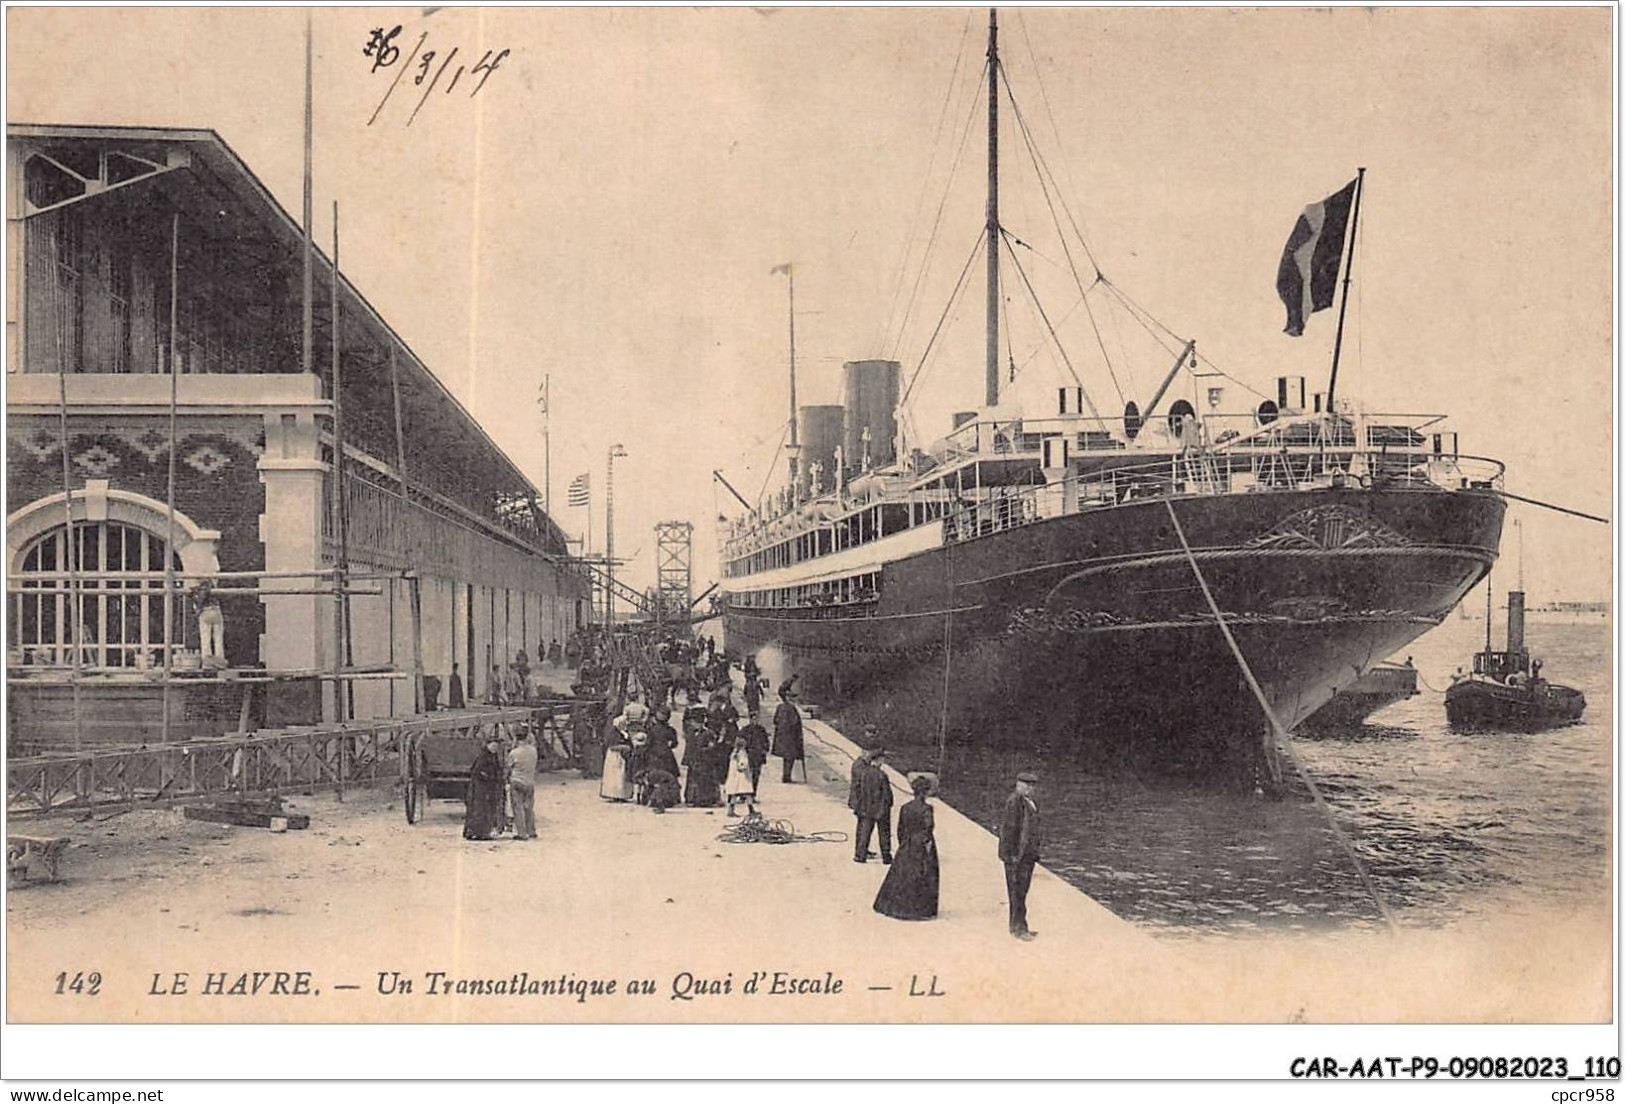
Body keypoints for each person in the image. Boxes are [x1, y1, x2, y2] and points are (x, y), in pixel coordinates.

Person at [874, 773, 940, 920]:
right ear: (926, 792)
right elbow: (928, 829)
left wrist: (903, 843)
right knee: (924, 875)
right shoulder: (927, 809)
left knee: (903, 874)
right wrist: (927, 847)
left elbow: (900, 829)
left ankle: (898, 906)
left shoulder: (905, 807)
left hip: (907, 843)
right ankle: (919, 910)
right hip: (921, 843)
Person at [998, 771, 1042, 940]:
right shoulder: (1015, 802)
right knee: (1017, 892)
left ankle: (1022, 925)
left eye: (1033, 786)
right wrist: (1011, 855)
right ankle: (1017, 929)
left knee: (1022, 891)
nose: (1031, 789)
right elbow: (1009, 830)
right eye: (1028, 785)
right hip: (1017, 856)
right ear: (1019, 785)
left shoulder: (1027, 802)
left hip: (1026, 855)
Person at [849, 738, 894, 864]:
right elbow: (887, 794)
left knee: (864, 831)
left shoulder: (864, 772)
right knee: (884, 832)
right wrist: (888, 804)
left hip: (866, 807)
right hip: (880, 808)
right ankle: (886, 856)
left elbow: (860, 789)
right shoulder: (882, 775)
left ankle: (860, 855)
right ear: (879, 760)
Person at [463, 738, 506, 841]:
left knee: (485, 811)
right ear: (487, 745)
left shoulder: (492, 757)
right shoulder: (483, 757)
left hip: (487, 788)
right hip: (480, 788)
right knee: (480, 810)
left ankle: (481, 832)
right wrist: (489, 777)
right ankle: (477, 833)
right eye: (493, 746)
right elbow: (477, 771)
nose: (494, 748)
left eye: (496, 747)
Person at [507, 727, 539, 840]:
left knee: (518, 808)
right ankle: (531, 831)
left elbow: (508, 767)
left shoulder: (514, 753)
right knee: (529, 808)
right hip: (530, 782)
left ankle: (522, 833)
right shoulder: (533, 751)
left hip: (517, 781)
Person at [772, 680, 805, 783]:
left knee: (787, 758)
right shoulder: (791, 708)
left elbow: (775, 721)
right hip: (791, 737)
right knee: (790, 757)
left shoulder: (780, 707)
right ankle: (787, 776)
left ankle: (786, 775)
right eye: (792, 698)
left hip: (782, 737)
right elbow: (795, 723)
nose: (793, 700)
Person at [682, 719, 718, 807]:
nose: (694, 724)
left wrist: (703, 750)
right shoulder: (690, 733)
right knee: (692, 780)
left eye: (696, 723)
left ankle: (705, 800)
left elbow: (712, 747)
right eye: (693, 722)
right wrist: (686, 760)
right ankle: (691, 799)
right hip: (693, 760)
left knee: (704, 780)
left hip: (704, 761)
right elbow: (688, 747)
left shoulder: (708, 733)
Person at [192, 580, 226, 667]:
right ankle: (219, 660)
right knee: (218, 638)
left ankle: (207, 662)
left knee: (205, 637)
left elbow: (200, 598)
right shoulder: (213, 586)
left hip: (205, 610)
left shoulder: (198, 589)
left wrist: (198, 609)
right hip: (216, 609)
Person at [724, 735, 757, 817]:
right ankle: (751, 809)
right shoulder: (742, 753)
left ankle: (731, 810)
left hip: (734, 776)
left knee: (734, 794)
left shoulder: (733, 753)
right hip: (742, 776)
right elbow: (743, 764)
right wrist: (746, 770)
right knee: (747, 792)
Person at [738, 710, 770, 795]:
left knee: (756, 775)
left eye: (756, 719)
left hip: (758, 756)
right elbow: (740, 742)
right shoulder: (745, 730)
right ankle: (744, 794)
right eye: (753, 719)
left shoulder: (761, 730)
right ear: (750, 719)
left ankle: (753, 793)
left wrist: (765, 750)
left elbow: (766, 741)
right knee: (746, 775)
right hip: (748, 755)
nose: (754, 721)